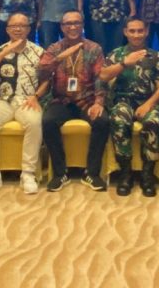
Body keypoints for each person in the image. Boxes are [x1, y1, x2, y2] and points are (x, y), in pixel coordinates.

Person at [0, 13, 47, 195]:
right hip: (3, 100)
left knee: (34, 123)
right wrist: (4, 53)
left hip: (28, 100)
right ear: (7, 30)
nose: (18, 29)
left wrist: (36, 96)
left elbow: (48, 79)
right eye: (13, 26)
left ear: (29, 29)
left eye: (22, 25)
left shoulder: (39, 52)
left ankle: (28, 174)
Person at [38, 10, 109, 192]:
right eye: (68, 23)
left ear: (82, 25)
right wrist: (59, 58)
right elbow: (42, 71)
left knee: (101, 121)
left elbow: (100, 78)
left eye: (76, 23)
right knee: (48, 121)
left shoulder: (94, 48)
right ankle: (60, 173)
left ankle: (92, 173)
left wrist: (98, 102)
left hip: (87, 101)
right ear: (62, 27)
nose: (72, 27)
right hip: (62, 101)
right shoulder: (54, 48)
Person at [100, 18, 159, 197]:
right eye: (132, 31)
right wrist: (124, 63)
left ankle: (147, 175)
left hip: (148, 101)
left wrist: (148, 104)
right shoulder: (116, 54)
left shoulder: (155, 56)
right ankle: (125, 173)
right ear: (125, 32)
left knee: (154, 121)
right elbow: (103, 76)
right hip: (123, 100)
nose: (136, 35)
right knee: (119, 120)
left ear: (146, 31)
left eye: (140, 31)